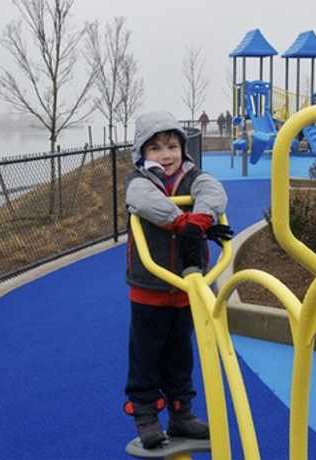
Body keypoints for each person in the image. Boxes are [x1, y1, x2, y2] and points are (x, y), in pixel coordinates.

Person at [123, 111, 234, 449]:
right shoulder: (140, 182)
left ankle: (181, 413)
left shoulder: (194, 178)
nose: (166, 155)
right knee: (146, 356)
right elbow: (145, 203)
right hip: (151, 288)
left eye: (171, 146)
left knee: (180, 355)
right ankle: (146, 415)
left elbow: (214, 192)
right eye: (155, 148)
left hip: (188, 288)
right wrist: (181, 222)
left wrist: (201, 218)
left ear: (182, 149)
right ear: (142, 154)